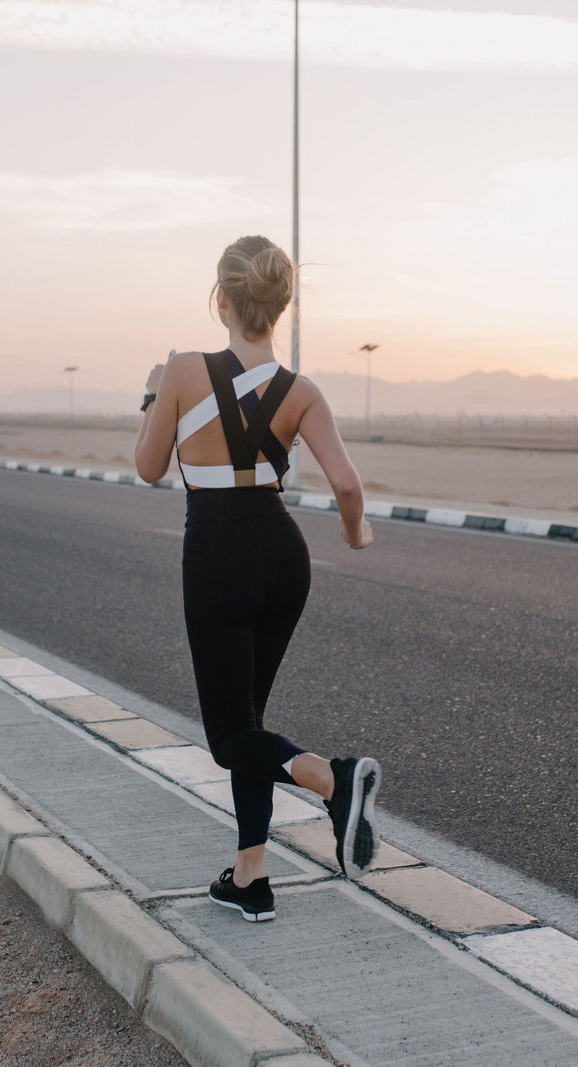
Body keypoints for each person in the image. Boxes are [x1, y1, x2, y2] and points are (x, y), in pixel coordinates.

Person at [133, 235, 380, 923]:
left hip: (217, 555)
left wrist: (154, 392)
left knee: (228, 738)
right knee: (249, 723)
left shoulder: (184, 370)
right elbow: (349, 487)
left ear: (222, 301)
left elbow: (149, 466)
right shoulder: (302, 392)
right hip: (283, 556)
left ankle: (335, 780)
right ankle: (250, 877)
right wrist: (355, 535)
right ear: (281, 307)